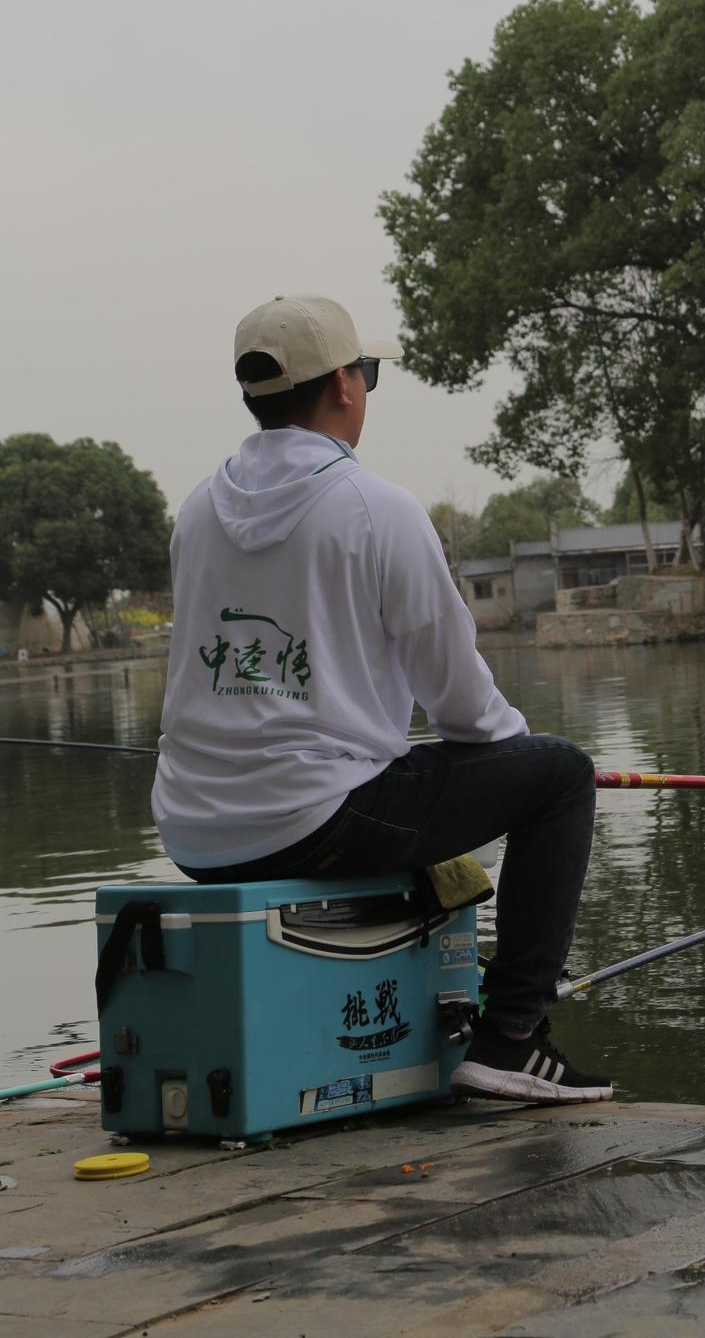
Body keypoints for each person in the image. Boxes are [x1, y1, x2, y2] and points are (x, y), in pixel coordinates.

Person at [152, 293, 611, 1104]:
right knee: (561, 776)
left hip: (194, 828)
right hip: (313, 819)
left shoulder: (196, 508)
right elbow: (464, 705)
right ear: (343, 385)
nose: (365, 386)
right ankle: (510, 1035)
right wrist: (517, 763)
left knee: (418, 792)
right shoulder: (376, 507)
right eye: (366, 371)